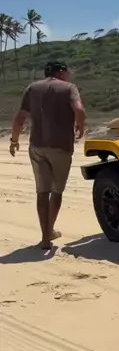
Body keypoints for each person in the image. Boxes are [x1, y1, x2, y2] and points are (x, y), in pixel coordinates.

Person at [10, 61, 86, 249]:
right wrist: (80, 127)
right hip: (61, 146)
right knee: (57, 191)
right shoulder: (69, 88)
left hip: (37, 146)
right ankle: (50, 230)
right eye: (67, 72)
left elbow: (20, 118)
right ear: (61, 72)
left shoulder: (32, 88)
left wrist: (14, 140)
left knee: (42, 191)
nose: (68, 76)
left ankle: (45, 238)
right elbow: (79, 110)